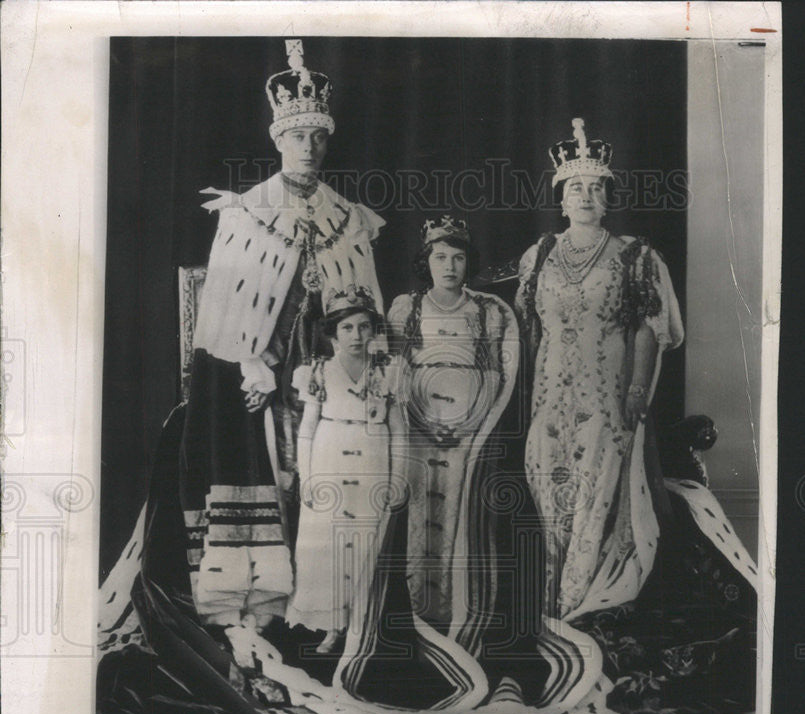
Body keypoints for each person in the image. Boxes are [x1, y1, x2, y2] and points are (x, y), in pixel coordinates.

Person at [180, 39, 384, 628]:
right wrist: (250, 361)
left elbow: (363, 307)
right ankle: (259, 596)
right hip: (258, 370)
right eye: (299, 137)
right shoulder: (244, 213)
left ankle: (324, 606)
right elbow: (222, 308)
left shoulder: (349, 217)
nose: (310, 148)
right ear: (279, 140)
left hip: (326, 371)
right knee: (269, 465)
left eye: (319, 137)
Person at [516, 119, 684, 622]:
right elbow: (527, 331)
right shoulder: (539, 254)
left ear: (607, 197)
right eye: (575, 188)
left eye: (595, 188)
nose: (585, 196)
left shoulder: (635, 255)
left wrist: (637, 388)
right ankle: (546, 599)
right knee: (548, 481)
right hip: (549, 394)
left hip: (607, 391)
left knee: (596, 484)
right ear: (560, 198)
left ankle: (581, 601)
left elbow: (649, 327)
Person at [387, 216, 517, 635]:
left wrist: (469, 425)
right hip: (419, 430)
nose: (449, 266)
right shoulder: (406, 308)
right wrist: (422, 421)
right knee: (421, 514)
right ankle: (418, 612)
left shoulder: (486, 311)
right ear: (426, 262)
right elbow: (398, 371)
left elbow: (495, 375)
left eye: (458, 258)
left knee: (463, 516)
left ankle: (459, 612)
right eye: (440, 257)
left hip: (467, 432)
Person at [286, 286, 408, 653]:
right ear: (333, 333)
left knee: (365, 540)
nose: (357, 336)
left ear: (374, 330)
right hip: (329, 457)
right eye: (348, 329)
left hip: (372, 458)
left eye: (364, 327)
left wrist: (397, 477)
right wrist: (307, 477)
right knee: (327, 545)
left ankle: (361, 625)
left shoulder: (389, 371)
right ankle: (331, 626)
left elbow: (399, 430)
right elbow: (306, 429)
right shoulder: (319, 371)